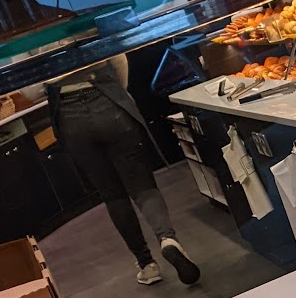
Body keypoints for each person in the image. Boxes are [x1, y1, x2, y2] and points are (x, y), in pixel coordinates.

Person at [47, 54, 200, 286]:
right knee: (142, 184)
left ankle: (147, 265)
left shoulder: (20, 24)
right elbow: (118, 57)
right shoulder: (81, 17)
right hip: (109, 103)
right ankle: (167, 239)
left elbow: (29, 90)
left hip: (70, 117)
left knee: (113, 195)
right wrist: (116, 89)